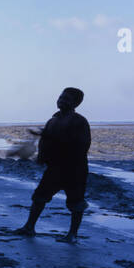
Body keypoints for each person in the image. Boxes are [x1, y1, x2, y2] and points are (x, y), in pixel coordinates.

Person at [13, 87, 91, 243]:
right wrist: (41, 157)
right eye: (61, 97)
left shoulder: (79, 121)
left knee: (75, 202)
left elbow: (81, 145)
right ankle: (29, 227)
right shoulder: (53, 120)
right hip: (54, 168)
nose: (61, 100)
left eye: (66, 99)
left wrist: (47, 135)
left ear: (76, 103)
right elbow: (46, 141)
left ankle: (72, 235)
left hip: (75, 169)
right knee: (39, 196)